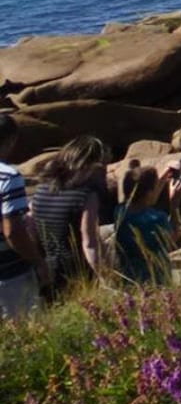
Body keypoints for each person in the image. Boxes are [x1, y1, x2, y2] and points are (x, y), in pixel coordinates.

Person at [33, 135, 110, 293]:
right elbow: (89, 243)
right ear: (92, 164)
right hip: (77, 271)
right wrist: (108, 279)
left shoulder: (41, 189)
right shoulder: (87, 194)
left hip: (47, 267)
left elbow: (31, 226)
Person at [0, 113, 50, 320]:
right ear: (10, 140)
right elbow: (13, 232)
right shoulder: (8, 177)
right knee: (25, 336)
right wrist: (38, 261)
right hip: (9, 275)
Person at [111, 156, 181, 284]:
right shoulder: (156, 218)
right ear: (148, 193)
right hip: (155, 279)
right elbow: (171, 241)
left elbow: (142, 194)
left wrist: (164, 175)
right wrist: (174, 205)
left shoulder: (120, 211)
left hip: (128, 276)